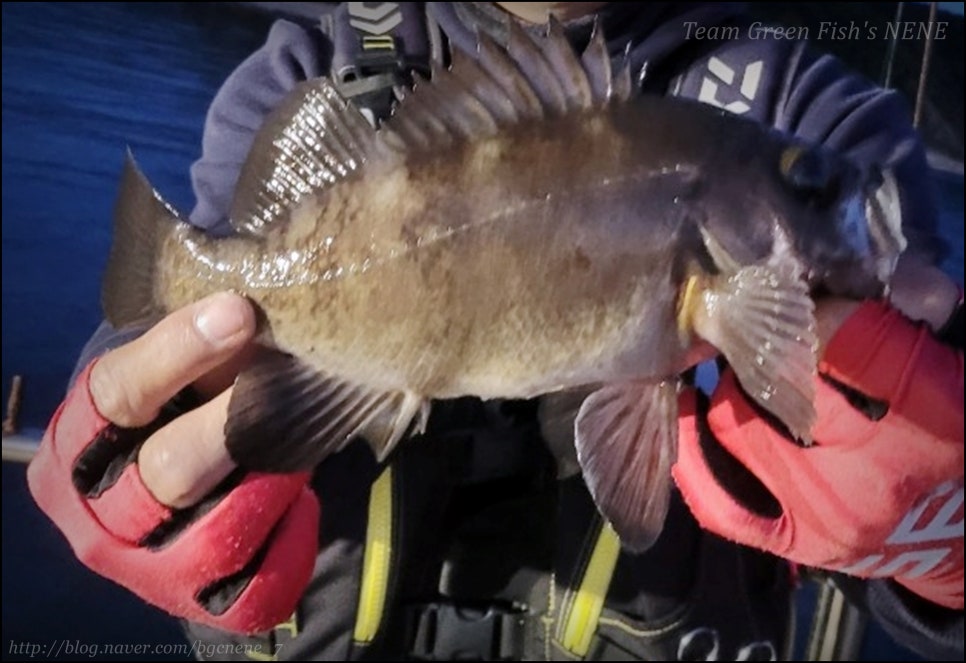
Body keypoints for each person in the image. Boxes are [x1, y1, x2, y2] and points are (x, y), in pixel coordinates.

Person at [28, 2, 963, 660]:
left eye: (805, 182)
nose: (830, 193)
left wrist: (950, 546)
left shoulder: (823, 120)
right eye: (808, 183)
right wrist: (124, 456)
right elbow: (145, 363)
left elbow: (927, 342)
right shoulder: (308, 70)